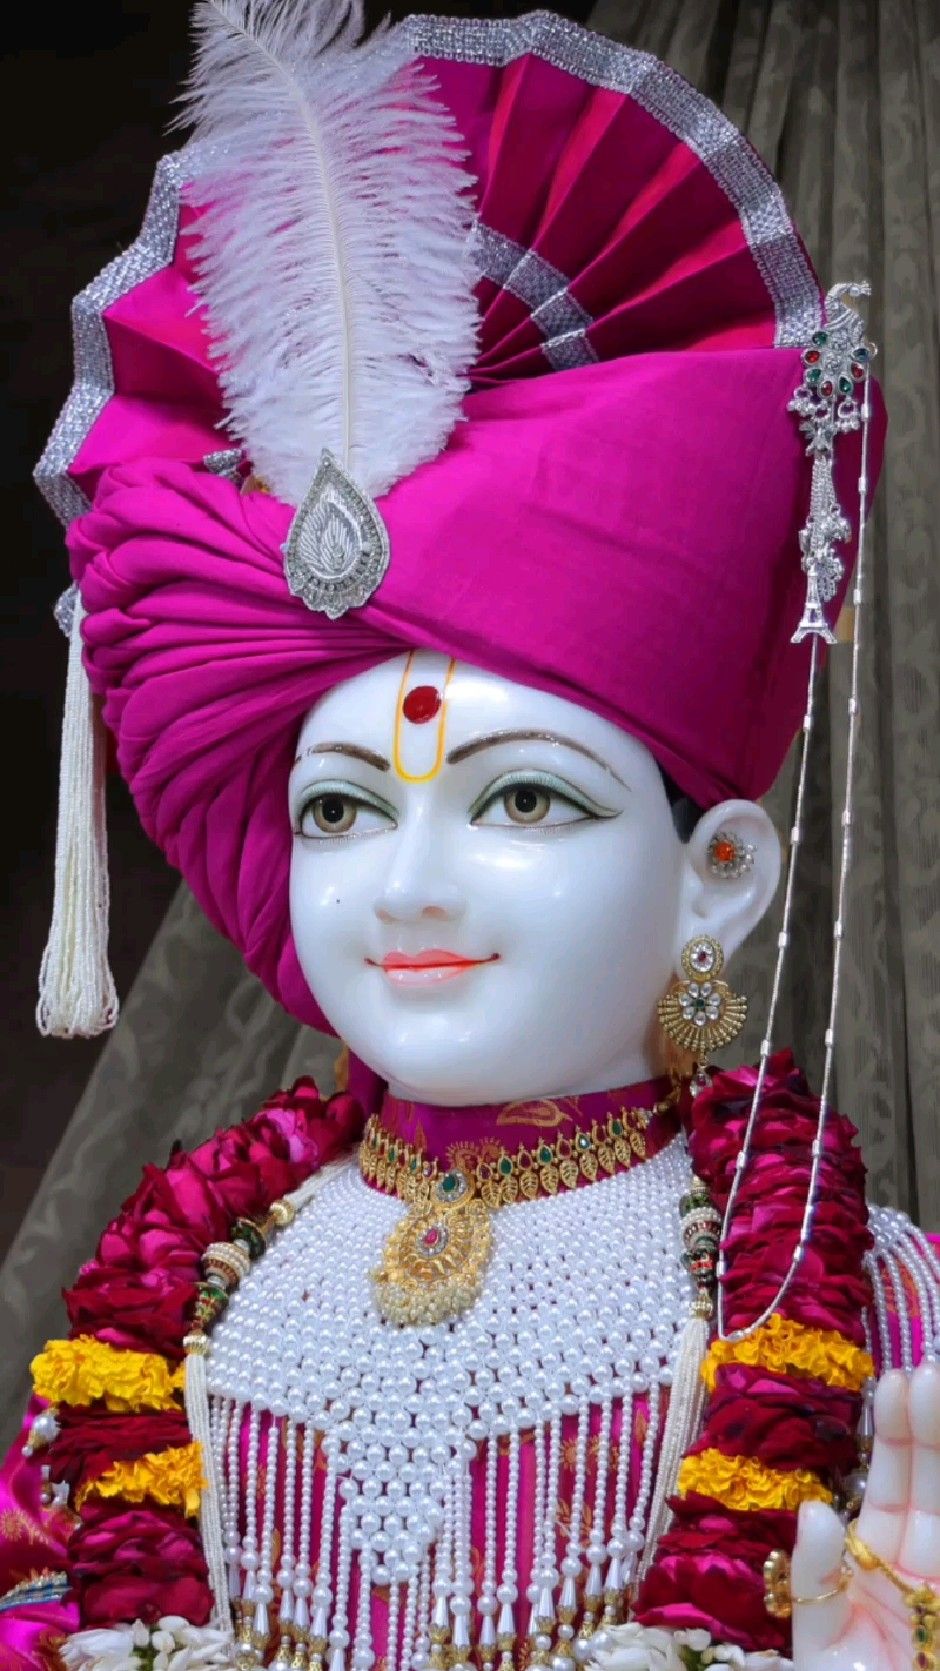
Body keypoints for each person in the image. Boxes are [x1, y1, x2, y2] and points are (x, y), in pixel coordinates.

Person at [4, 4, 937, 1668]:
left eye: (521, 800)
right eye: (343, 809)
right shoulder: (198, 1274)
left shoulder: (862, 1300)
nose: (413, 881)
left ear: (716, 877)